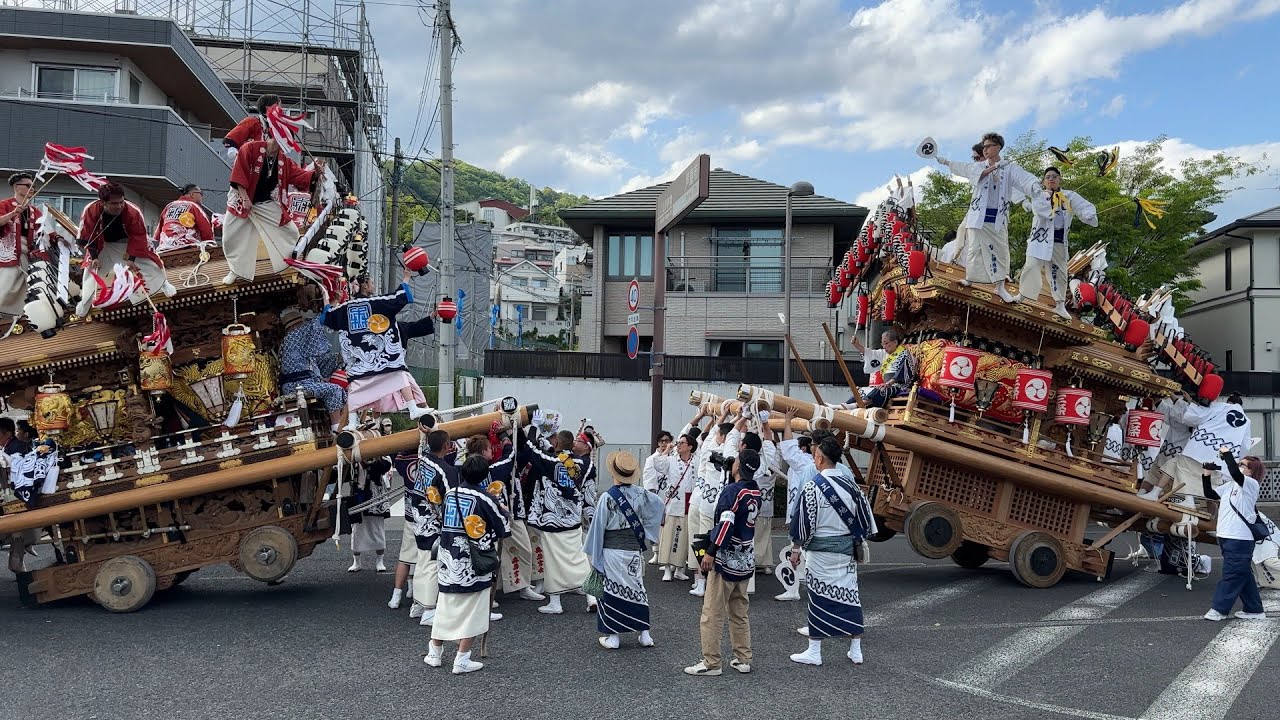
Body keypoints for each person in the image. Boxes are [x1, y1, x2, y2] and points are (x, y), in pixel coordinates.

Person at [788, 437, 877, 666]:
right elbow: (866, 522)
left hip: (820, 552)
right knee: (851, 597)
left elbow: (802, 524)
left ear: (819, 457)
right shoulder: (853, 487)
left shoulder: (813, 486)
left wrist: (796, 548)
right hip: (846, 551)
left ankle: (814, 651)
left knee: (818, 597)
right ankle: (856, 650)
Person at [425, 455, 512, 674]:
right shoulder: (485, 498)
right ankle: (462, 658)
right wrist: (503, 508)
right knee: (474, 608)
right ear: (484, 476)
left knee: (445, 604)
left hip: (448, 558)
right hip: (474, 561)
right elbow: (503, 528)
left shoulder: (450, 494)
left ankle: (434, 652)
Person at [934, 132, 1044, 300]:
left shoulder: (1009, 168)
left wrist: (1034, 186)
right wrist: (946, 161)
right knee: (974, 249)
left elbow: (1023, 179)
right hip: (977, 217)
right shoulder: (980, 166)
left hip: (997, 218)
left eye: (988, 146)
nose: (985, 150)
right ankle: (971, 278)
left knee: (1000, 252)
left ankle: (1000, 286)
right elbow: (967, 169)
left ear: (998, 147)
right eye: (983, 147)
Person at [684, 450, 762, 677]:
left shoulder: (732, 492)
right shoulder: (754, 490)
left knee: (712, 612)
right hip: (745, 559)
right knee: (739, 610)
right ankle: (742, 658)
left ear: (739, 465)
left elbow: (725, 524)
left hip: (727, 559)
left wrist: (710, 552)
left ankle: (711, 662)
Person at [321, 269, 431, 420]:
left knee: (354, 389)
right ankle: (413, 409)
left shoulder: (345, 309)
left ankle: (352, 423)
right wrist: (406, 277)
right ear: (364, 285)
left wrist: (326, 298)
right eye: (371, 282)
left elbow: (327, 317)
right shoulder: (376, 303)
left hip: (359, 364)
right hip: (383, 361)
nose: (373, 285)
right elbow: (397, 299)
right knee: (400, 374)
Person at [583, 450, 665, 650]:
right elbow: (659, 505)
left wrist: (595, 555)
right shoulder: (642, 494)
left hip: (612, 551)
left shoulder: (607, 498)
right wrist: (647, 534)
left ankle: (613, 636)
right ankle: (645, 634)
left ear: (614, 473)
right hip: (633, 551)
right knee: (637, 588)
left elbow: (598, 528)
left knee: (612, 591)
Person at [222, 136, 323, 285]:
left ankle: (288, 263)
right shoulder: (250, 148)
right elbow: (239, 174)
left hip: (264, 202)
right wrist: (244, 198)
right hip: (240, 199)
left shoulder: (282, 160)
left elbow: (298, 175)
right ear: (274, 135)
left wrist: (314, 174)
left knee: (291, 232)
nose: (285, 144)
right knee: (230, 237)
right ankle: (236, 270)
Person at [519, 427, 593, 614]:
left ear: (557, 443)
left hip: (552, 520)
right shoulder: (585, 464)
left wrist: (527, 427)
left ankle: (555, 602)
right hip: (573, 519)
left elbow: (528, 449)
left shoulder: (550, 461)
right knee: (578, 558)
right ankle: (592, 597)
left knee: (552, 561)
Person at [1014, 167, 1098, 319]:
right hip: (1040, 239)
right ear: (1044, 181)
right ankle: (1022, 295)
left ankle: (1059, 304)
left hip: (1058, 240)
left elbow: (1084, 207)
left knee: (1058, 272)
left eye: (1054, 176)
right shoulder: (1039, 195)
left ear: (1060, 179)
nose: (1051, 179)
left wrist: (1088, 215)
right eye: (1048, 177)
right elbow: (1040, 210)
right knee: (1031, 266)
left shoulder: (1069, 196)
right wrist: (1049, 203)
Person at [1142, 392, 1252, 506]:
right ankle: (1190, 502)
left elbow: (1197, 416)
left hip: (1199, 450)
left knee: (1178, 468)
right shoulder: (1247, 422)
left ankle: (1156, 493)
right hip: (1219, 460)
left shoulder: (1221, 407)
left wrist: (1176, 399)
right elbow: (1244, 447)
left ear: (1229, 402)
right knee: (1204, 482)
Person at [78, 182, 177, 302]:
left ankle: (162, 283)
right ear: (103, 202)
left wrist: (131, 259)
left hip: (129, 242)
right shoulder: (91, 210)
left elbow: (139, 235)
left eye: (121, 202)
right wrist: (94, 257)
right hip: (103, 243)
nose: (119, 206)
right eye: (114, 203)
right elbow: (87, 234)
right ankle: (85, 302)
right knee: (91, 270)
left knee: (152, 265)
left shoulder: (133, 211)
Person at [403, 428, 458, 625]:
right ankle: (428, 610)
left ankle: (418, 606)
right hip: (433, 523)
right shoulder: (445, 470)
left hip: (418, 518)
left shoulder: (423, 460)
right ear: (446, 446)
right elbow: (451, 500)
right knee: (432, 565)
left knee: (423, 562)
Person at [1203, 448, 1265, 621]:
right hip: (1226, 535)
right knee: (1241, 572)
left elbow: (1235, 474)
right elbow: (1210, 494)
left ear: (1252, 471)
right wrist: (1206, 474)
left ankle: (1219, 609)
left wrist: (1227, 453)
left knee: (1232, 574)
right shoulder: (1230, 485)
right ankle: (1254, 609)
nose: (1238, 467)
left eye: (1242, 465)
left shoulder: (1251, 484)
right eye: (1238, 464)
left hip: (1240, 538)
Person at [278, 306, 346, 431]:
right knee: (334, 390)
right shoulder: (290, 339)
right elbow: (311, 328)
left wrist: (339, 358)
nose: (304, 327)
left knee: (342, 389)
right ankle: (337, 429)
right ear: (294, 327)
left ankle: (344, 423)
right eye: (302, 325)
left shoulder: (301, 344)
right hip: (296, 385)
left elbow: (321, 364)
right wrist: (321, 317)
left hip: (307, 382)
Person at [776, 409, 816, 601]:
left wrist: (788, 421)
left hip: (802, 515)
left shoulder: (804, 462)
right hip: (811, 515)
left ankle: (794, 591)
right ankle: (804, 585)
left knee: (798, 551)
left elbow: (788, 448)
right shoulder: (815, 463)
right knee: (803, 552)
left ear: (806, 449)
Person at [647, 431, 696, 582]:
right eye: (679, 442)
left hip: (688, 502)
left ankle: (680, 568)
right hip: (673, 503)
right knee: (669, 536)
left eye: (682, 443)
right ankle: (667, 569)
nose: (678, 445)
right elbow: (657, 464)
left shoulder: (696, 461)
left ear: (690, 447)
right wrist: (667, 450)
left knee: (684, 538)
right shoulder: (671, 460)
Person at [347, 425, 393, 573]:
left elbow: (385, 467)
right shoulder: (351, 455)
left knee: (377, 528)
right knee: (356, 529)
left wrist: (371, 461)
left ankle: (380, 561)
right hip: (358, 494)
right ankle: (357, 561)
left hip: (375, 496)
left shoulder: (381, 455)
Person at [0, 172, 41, 326]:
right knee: (6, 284)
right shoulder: (4, 204)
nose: (32, 189)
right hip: (7, 251)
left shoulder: (34, 211)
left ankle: (18, 317)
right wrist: (12, 213)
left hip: (27, 254)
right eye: (28, 186)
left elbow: (43, 230)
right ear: (17, 187)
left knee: (25, 285)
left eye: (33, 186)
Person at [851, 328, 917, 408]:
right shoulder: (884, 353)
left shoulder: (904, 354)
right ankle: (846, 405)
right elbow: (870, 353)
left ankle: (860, 404)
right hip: (885, 384)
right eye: (882, 344)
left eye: (886, 343)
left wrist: (888, 383)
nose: (884, 346)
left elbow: (901, 373)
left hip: (899, 386)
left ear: (895, 342)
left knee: (882, 390)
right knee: (861, 390)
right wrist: (857, 345)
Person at [154, 184, 216, 254]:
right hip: (187, 247)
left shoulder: (169, 206)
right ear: (192, 194)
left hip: (165, 248)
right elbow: (206, 229)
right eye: (201, 193)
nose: (202, 196)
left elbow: (158, 232)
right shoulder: (194, 206)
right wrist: (211, 246)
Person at [642, 430, 674, 563]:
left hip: (671, 495)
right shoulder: (652, 459)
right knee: (655, 524)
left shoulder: (674, 457)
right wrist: (651, 494)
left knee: (668, 525)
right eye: (662, 441)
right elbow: (648, 477)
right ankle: (656, 552)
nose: (664, 443)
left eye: (667, 440)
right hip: (657, 494)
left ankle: (668, 553)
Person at [222, 94, 279, 162]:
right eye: (278, 106)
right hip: (250, 160)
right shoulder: (253, 122)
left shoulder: (277, 127)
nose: (281, 109)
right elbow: (234, 136)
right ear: (268, 107)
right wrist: (232, 149)